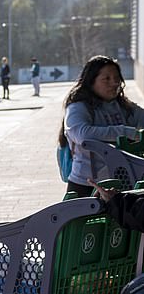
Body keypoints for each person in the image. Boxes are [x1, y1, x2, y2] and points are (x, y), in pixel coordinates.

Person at [59, 56, 144, 198]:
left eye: (117, 78)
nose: (115, 83)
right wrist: (126, 132)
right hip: (86, 185)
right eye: (107, 79)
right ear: (91, 82)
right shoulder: (78, 108)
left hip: (121, 183)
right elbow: (83, 135)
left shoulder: (123, 106)